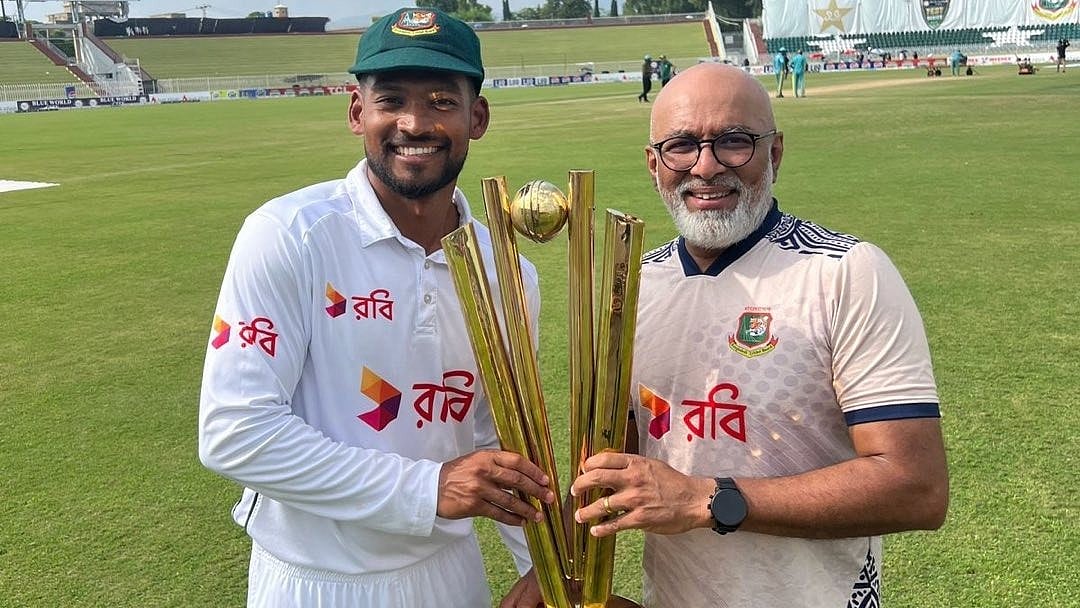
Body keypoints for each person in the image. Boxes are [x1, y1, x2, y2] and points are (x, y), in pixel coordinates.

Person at [198, 7, 557, 608]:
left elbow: (500, 432)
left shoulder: (510, 272)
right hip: (311, 580)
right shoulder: (289, 234)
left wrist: (543, 565)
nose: (414, 122)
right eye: (391, 99)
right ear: (357, 112)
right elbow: (235, 432)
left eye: (443, 100)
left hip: (450, 573)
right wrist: (429, 487)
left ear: (479, 117)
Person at [569, 64, 949, 607]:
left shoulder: (844, 272)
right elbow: (615, 451)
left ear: (774, 154)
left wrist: (708, 500)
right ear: (654, 165)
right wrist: (563, 568)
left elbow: (917, 486)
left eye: (734, 142)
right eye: (682, 145)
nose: (706, 166)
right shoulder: (635, 286)